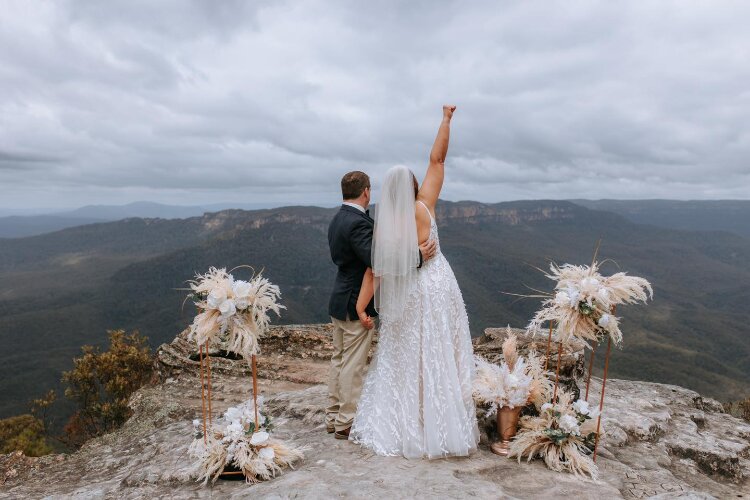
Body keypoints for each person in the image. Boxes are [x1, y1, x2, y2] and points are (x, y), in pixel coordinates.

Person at [349, 105, 479, 458]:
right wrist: (446, 120)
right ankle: (441, 422)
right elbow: (437, 161)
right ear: (412, 186)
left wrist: (362, 306)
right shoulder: (423, 207)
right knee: (439, 354)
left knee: (408, 356)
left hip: (408, 293)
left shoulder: (387, 229)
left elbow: (377, 271)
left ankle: (408, 423)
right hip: (438, 289)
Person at [326, 171, 437, 440]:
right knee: (352, 364)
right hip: (355, 302)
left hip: (339, 298)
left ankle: (332, 415)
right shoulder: (359, 223)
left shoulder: (338, 218)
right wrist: (417, 256)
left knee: (339, 360)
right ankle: (345, 421)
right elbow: (378, 261)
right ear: (365, 191)